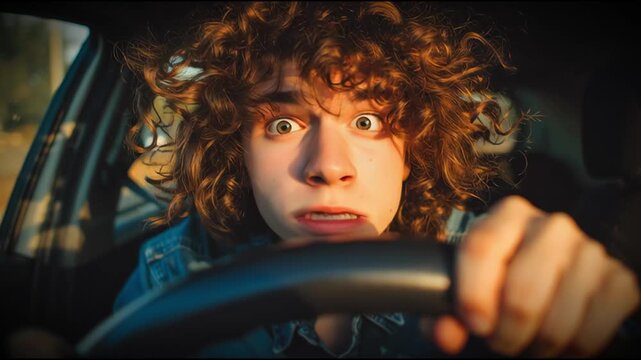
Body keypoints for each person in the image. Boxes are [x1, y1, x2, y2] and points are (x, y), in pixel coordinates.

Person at [114, 2, 640, 357]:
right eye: (282, 124)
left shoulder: (486, 264)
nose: (328, 166)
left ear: (411, 152)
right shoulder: (176, 269)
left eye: (367, 122)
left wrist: (575, 306)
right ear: (240, 153)